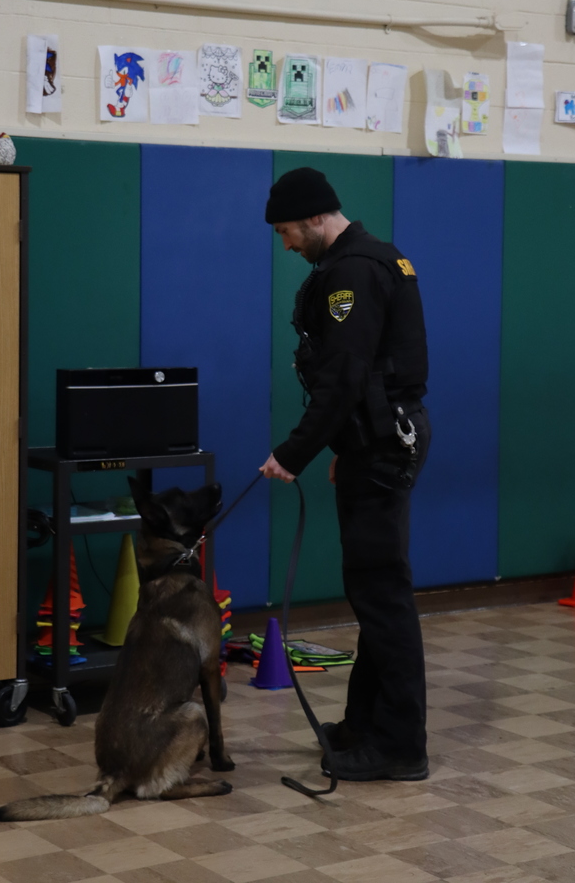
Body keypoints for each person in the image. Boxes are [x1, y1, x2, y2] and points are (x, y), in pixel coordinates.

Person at [259, 167, 431, 782]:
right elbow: (373, 376)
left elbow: (345, 378)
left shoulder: (352, 273)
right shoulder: (377, 257)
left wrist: (293, 453)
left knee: (383, 597)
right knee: (372, 593)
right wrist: (348, 447)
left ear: (314, 217)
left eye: (287, 231)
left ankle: (401, 746)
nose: (286, 245)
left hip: (382, 445)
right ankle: (364, 726)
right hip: (378, 441)